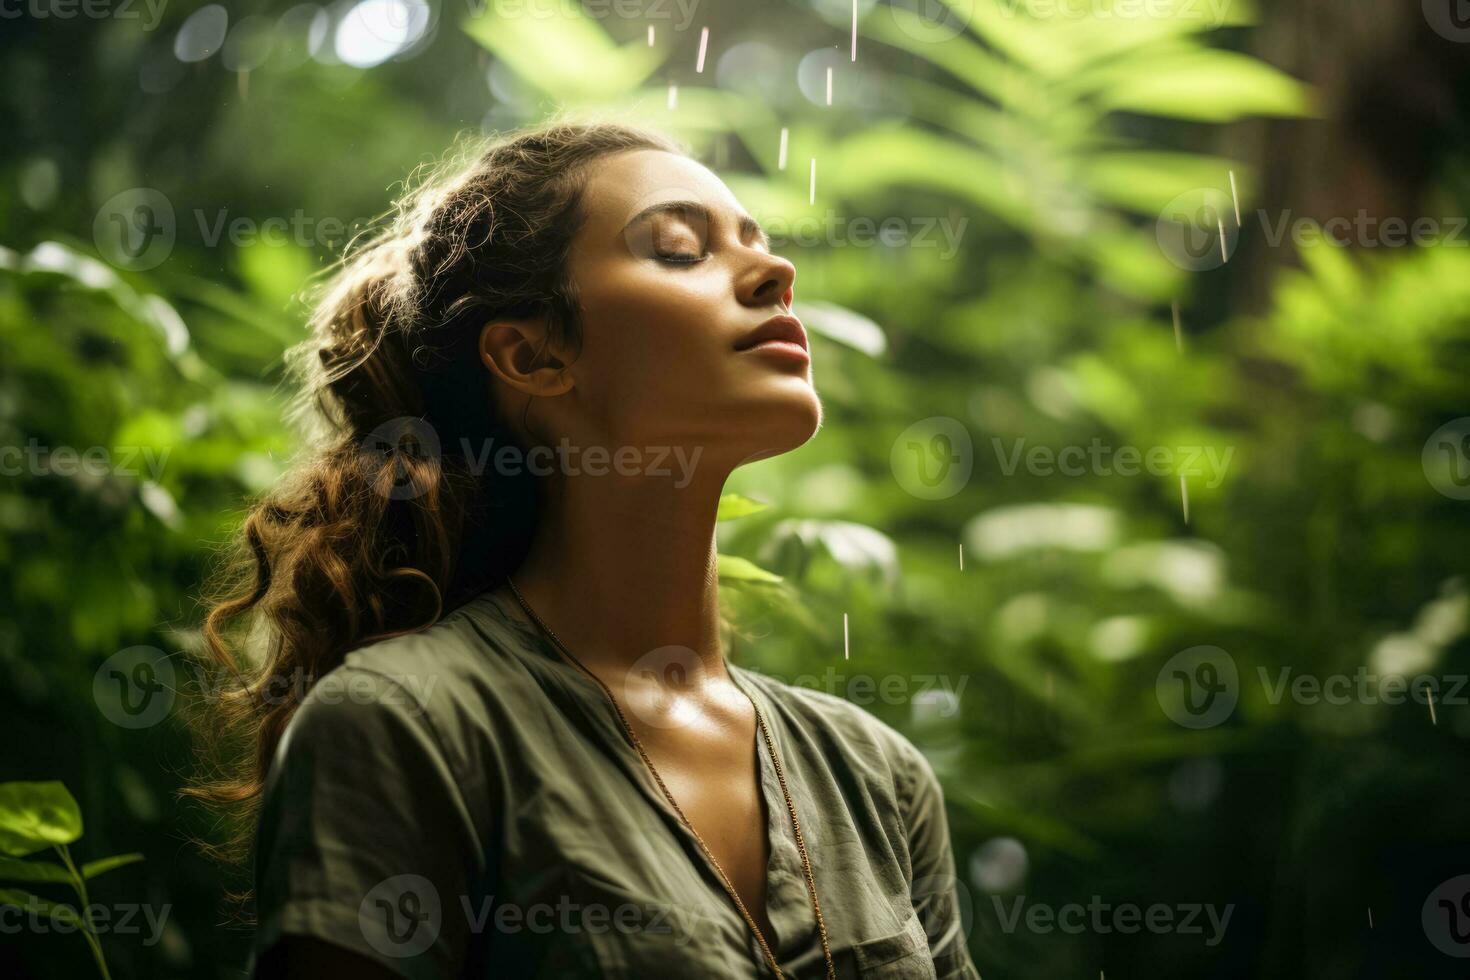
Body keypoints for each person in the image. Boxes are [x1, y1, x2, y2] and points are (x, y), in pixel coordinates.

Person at [187, 120, 980, 979]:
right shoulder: (405, 725)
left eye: (760, 242)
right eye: (680, 248)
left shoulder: (880, 779)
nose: (776, 271)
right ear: (533, 356)